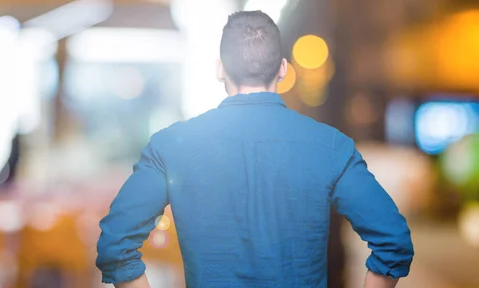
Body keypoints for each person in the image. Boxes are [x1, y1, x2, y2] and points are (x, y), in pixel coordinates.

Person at [96, 11, 413, 288]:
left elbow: (115, 244)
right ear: (283, 69)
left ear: (220, 69)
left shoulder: (170, 146)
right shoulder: (331, 147)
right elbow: (393, 242)